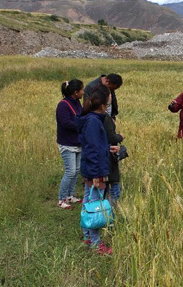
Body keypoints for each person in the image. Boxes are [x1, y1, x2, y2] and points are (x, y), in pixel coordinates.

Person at [75, 87, 119, 255]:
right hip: (94, 170)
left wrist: (107, 148)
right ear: (101, 106)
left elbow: (93, 145)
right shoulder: (94, 122)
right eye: (108, 103)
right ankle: (95, 243)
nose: (108, 106)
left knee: (88, 202)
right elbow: (93, 149)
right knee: (95, 206)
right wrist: (95, 176)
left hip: (90, 167)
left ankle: (87, 235)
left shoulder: (89, 119)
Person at [56, 79, 84, 209]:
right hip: (67, 143)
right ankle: (61, 199)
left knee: (76, 170)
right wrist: (82, 125)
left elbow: (82, 116)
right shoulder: (63, 105)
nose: (83, 92)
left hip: (77, 142)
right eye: (82, 90)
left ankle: (70, 196)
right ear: (75, 92)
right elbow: (65, 123)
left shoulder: (77, 103)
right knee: (70, 171)